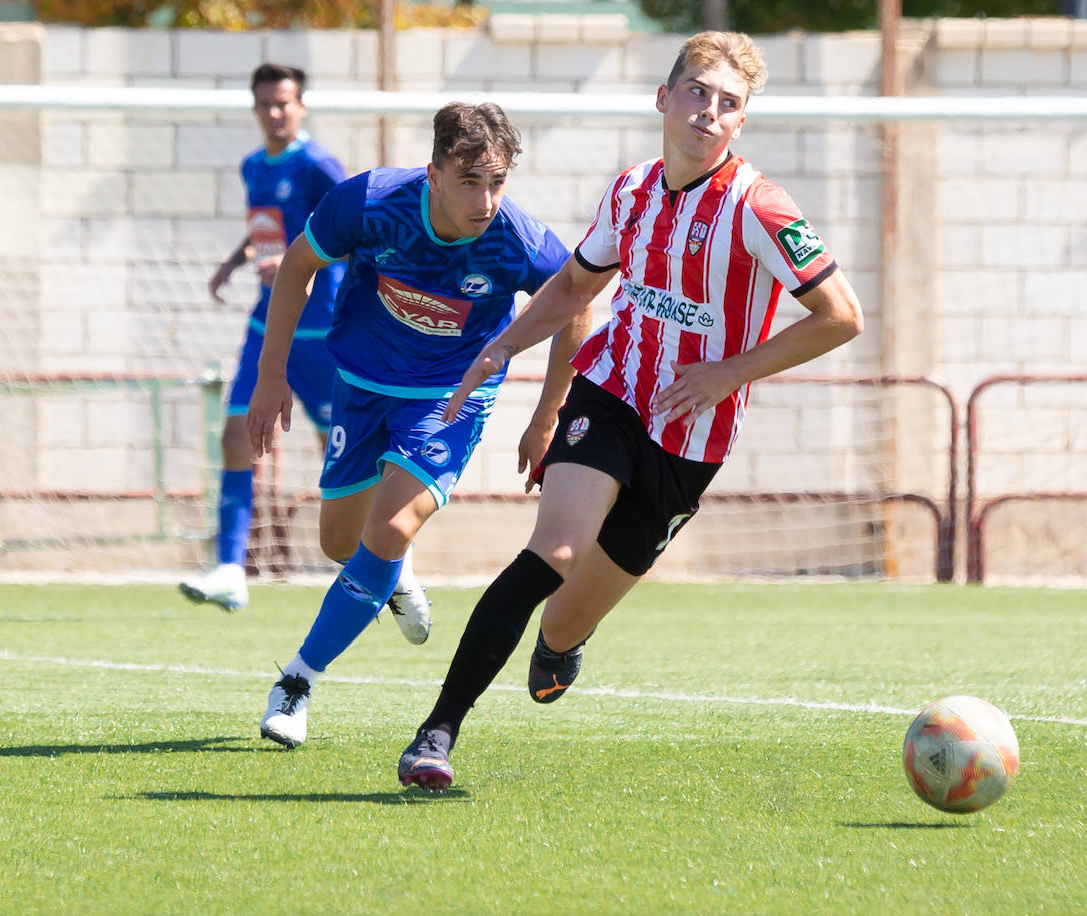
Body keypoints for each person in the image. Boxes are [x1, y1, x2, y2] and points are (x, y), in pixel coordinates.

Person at [396, 31, 866, 791]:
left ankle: (559, 644)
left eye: (728, 104)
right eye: (697, 92)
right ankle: (436, 733)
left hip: (691, 435)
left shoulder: (760, 208)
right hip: (611, 391)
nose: (708, 112)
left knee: (564, 620)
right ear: (665, 97)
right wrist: (503, 347)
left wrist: (728, 373)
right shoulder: (632, 190)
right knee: (554, 552)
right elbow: (577, 286)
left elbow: (843, 317)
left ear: (740, 123)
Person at [247, 101, 587, 748]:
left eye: (497, 182)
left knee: (393, 524)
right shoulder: (373, 203)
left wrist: (548, 415)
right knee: (341, 543)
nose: (486, 199)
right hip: (362, 387)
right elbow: (297, 266)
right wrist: (272, 376)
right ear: (433, 172)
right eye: (469, 181)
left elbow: (575, 306)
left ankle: (297, 681)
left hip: (447, 399)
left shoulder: (516, 238)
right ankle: (393, 574)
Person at [178, 62, 432, 642]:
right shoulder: (252, 167)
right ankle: (229, 570)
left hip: (320, 329)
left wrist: (298, 266)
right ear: (255, 107)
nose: (275, 112)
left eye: (284, 103)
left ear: (302, 107)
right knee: (235, 435)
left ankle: (396, 566)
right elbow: (269, 228)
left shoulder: (319, 166)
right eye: (265, 103)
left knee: (342, 455)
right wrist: (237, 259)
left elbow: (352, 235)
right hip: (268, 324)